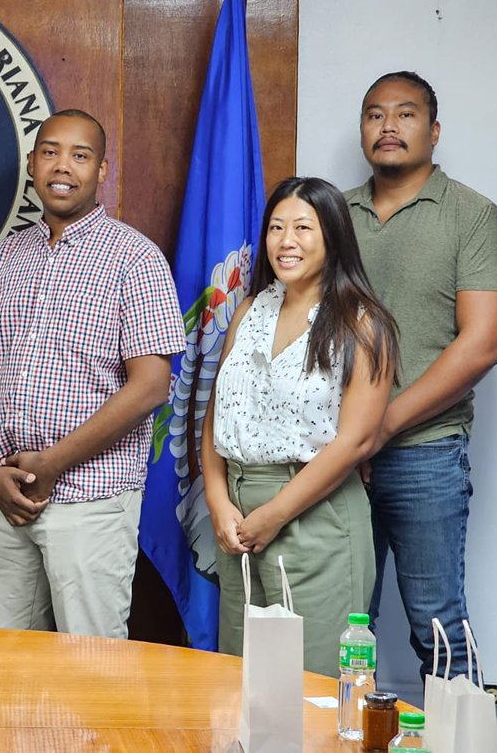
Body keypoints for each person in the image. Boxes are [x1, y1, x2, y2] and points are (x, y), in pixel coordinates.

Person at [0, 109, 185, 639]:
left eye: (80, 155)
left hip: (89, 494)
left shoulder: (134, 258)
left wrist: (53, 463)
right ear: (34, 163)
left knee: (91, 667)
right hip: (4, 495)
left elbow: (151, 385)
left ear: (102, 170)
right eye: (51, 152)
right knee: (4, 661)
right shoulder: (6, 257)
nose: (63, 166)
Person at [346, 71, 497, 679]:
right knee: (342, 625)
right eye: (374, 114)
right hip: (335, 455)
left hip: (424, 453)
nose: (388, 126)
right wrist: (352, 440)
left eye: (405, 113)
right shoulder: (332, 216)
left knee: (437, 626)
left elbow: (483, 345)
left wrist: (382, 425)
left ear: (434, 130)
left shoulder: (473, 216)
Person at [202, 176, 398, 676]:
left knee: (312, 686)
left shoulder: (361, 322)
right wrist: (218, 501)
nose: (285, 241)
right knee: (241, 682)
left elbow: (354, 441)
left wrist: (275, 514)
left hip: (314, 512)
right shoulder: (249, 310)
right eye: (275, 227)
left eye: (303, 228)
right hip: (237, 519)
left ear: (332, 236)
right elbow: (216, 415)